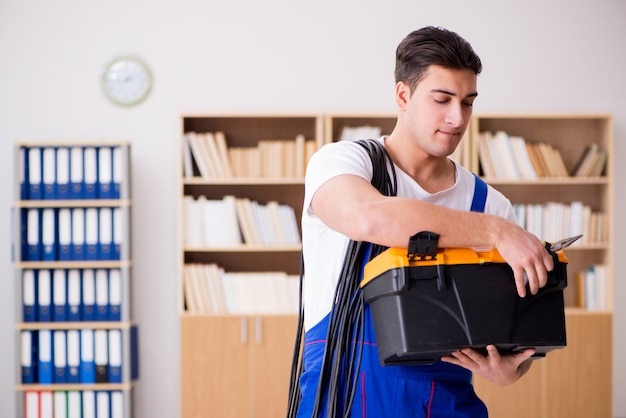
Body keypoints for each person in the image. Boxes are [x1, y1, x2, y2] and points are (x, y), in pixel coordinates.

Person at [291, 26, 554, 417]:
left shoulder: (490, 204)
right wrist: (496, 233)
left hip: (446, 403)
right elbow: (370, 218)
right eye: (442, 99)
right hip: (343, 396)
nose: (457, 117)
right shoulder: (345, 163)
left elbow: (513, 338)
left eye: (467, 102)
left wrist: (509, 371)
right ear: (403, 95)